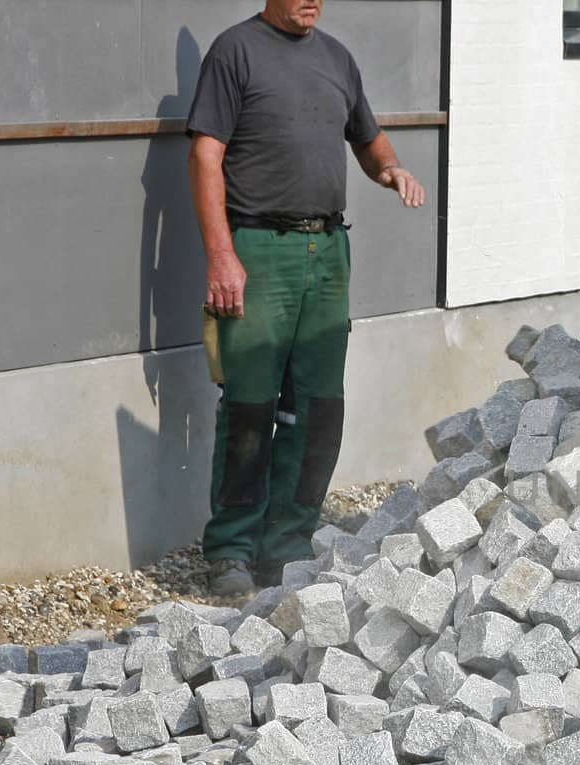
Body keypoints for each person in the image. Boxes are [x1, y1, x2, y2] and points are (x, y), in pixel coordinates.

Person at [186, 0, 425, 595]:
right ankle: (231, 549)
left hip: (328, 249)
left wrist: (391, 168)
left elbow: (369, 140)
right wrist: (222, 256)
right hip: (259, 249)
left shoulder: (337, 59)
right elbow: (205, 156)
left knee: (319, 405)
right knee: (249, 403)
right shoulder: (234, 52)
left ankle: (289, 543)